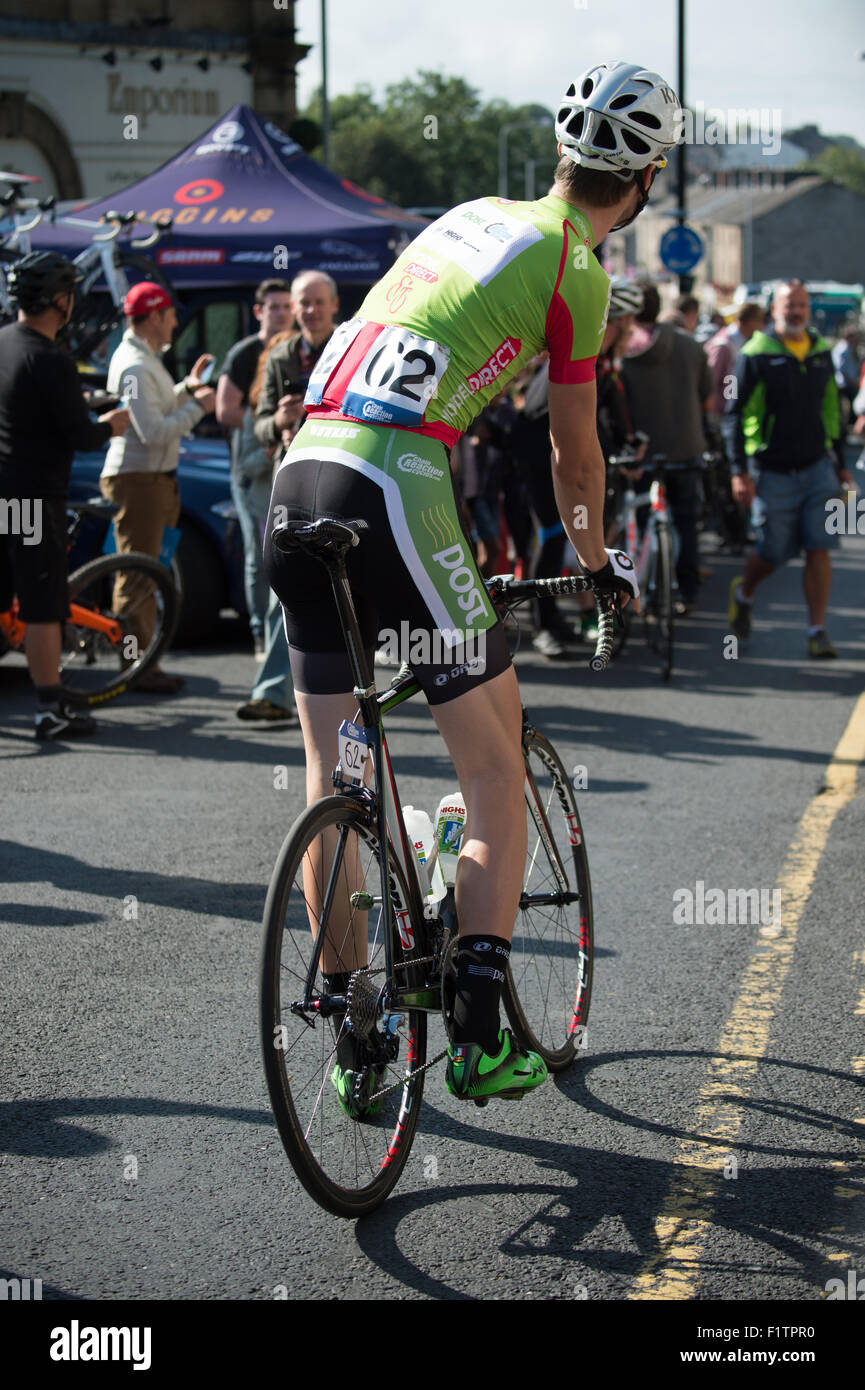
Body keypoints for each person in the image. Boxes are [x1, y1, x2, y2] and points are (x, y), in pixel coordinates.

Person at [263, 60, 679, 1109]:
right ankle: (484, 1038)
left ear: (559, 156)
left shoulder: (471, 213)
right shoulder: (576, 265)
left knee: (334, 775)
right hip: (394, 480)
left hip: (301, 471)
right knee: (494, 767)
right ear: (648, 179)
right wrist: (594, 562)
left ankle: (357, 1035)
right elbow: (573, 455)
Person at [0, 252, 129, 740]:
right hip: (34, 497)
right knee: (42, 604)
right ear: (61, 300)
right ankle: (50, 709)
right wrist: (109, 423)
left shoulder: (5, 342)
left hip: (4, 491)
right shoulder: (50, 358)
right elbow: (80, 435)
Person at [724, 280, 853, 658]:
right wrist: (738, 471)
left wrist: (841, 464)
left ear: (808, 310)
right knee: (773, 551)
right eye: (788, 306)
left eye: (801, 305)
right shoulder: (754, 354)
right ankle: (744, 592)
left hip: (817, 469)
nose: (795, 312)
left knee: (819, 546)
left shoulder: (821, 352)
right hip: (772, 471)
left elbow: (832, 408)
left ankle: (817, 630)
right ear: (772, 311)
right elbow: (734, 416)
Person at [235, 271, 341, 723]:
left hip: (341, 478)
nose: (310, 310)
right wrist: (276, 420)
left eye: (318, 302)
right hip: (295, 480)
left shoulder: (352, 346)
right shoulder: (280, 355)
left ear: (334, 305)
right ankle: (278, 690)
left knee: (346, 584)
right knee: (289, 583)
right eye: (304, 303)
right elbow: (255, 425)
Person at [100, 282, 215, 693]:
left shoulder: (141, 358)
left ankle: (140, 661)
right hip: (140, 479)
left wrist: (185, 388)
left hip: (151, 479)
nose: (175, 323)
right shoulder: (134, 365)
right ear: (152, 317)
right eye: (169, 315)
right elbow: (152, 431)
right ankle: (135, 665)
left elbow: (153, 410)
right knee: (137, 573)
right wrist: (199, 405)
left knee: (147, 571)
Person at [619, 280, 713, 612]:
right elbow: (706, 395)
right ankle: (687, 590)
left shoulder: (623, 353)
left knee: (643, 524)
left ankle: (643, 590)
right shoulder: (691, 347)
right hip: (686, 448)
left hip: (642, 455)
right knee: (687, 524)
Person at [215, 279, 294, 656]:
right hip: (253, 473)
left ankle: (291, 634)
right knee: (258, 557)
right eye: (274, 306)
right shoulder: (245, 354)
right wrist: (265, 422)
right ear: (259, 311)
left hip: (288, 467)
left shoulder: (300, 347)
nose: (282, 313)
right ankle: (260, 633)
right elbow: (224, 411)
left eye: (286, 306)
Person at [705, 302, 765, 418]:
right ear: (750, 321)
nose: (762, 327)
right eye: (759, 321)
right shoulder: (723, 345)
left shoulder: (741, 342)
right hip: (720, 415)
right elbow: (710, 383)